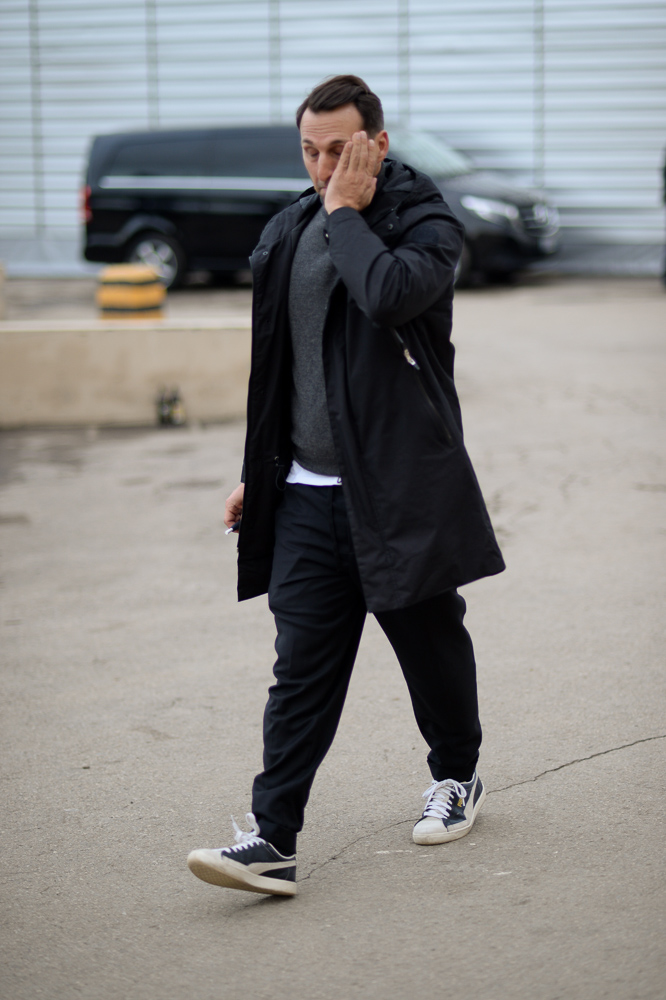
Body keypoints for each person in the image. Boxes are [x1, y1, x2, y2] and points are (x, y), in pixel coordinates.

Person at [187, 75, 505, 897]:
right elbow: (280, 368)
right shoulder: (289, 227)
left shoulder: (424, 222)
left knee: (429, 648)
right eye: (310, 151)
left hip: (396, 492)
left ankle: (458, 774)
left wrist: (345, 213)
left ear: (379, 144)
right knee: (300, 669)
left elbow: (389, 296)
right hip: (303, 493)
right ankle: (272, 839)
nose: (323, 167)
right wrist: (260, 474)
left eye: (339, 150)